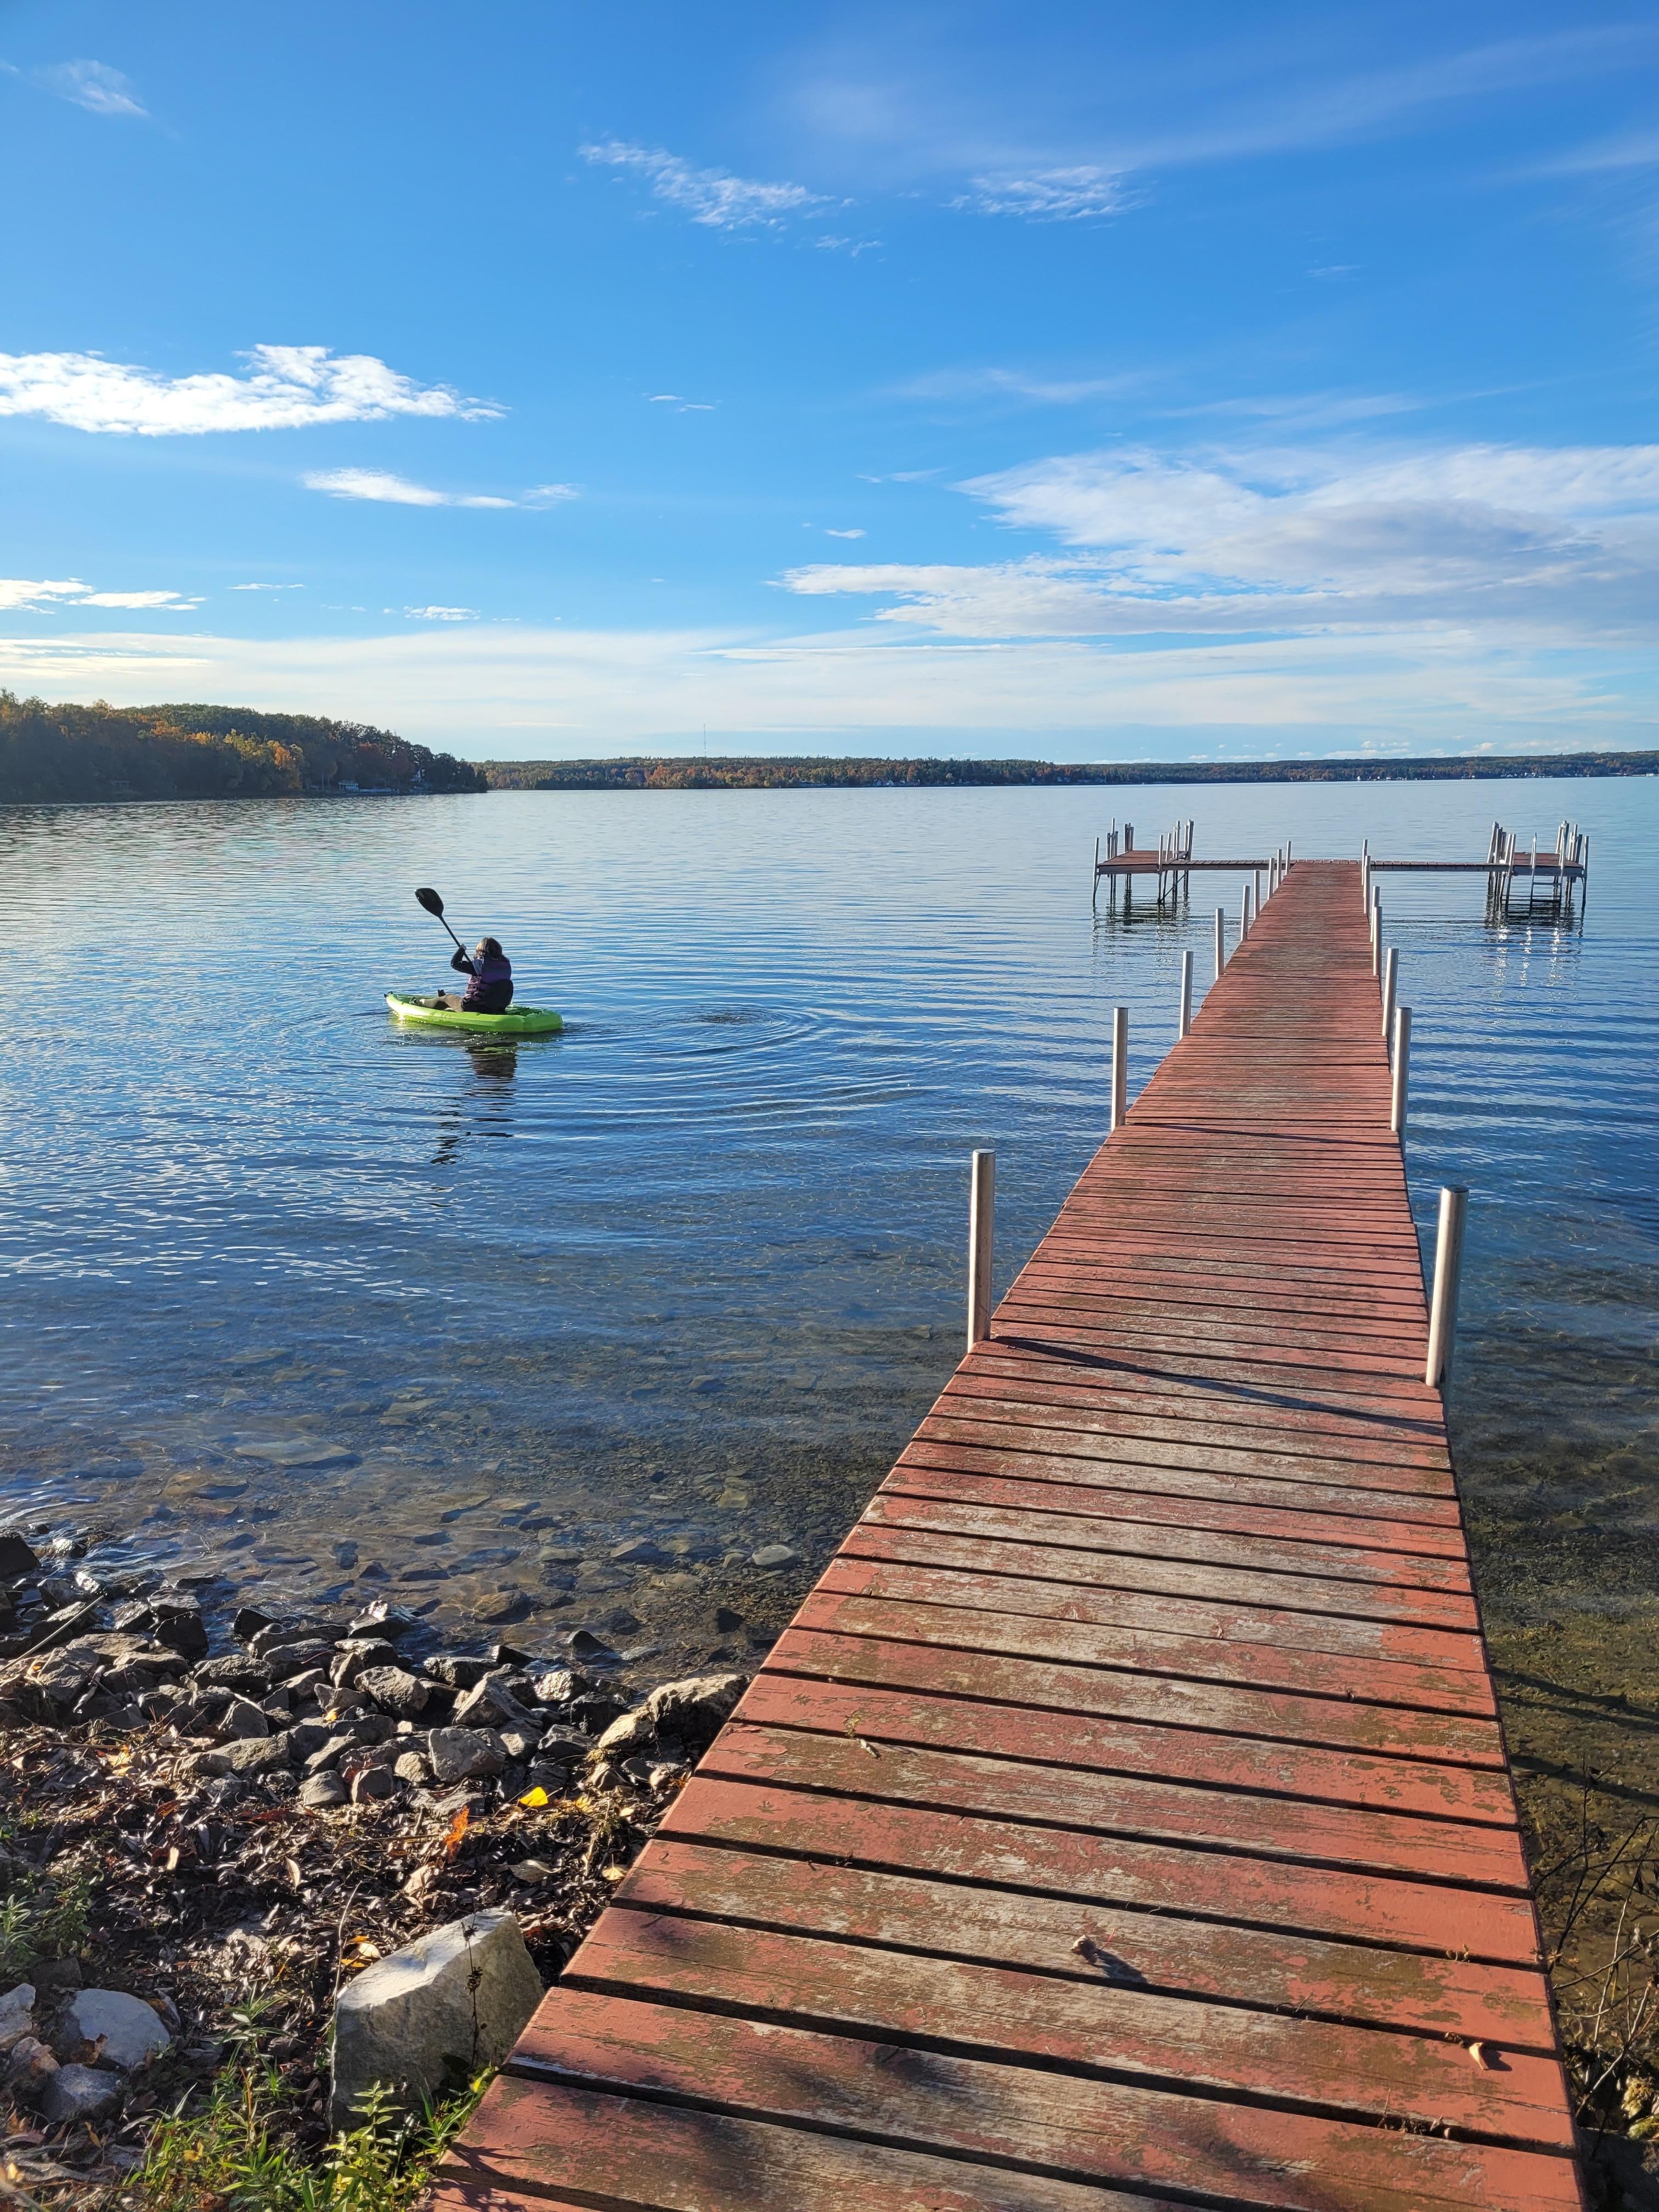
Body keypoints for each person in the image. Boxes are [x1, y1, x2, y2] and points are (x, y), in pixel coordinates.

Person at [448, 935, 514, 1013]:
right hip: (495, 1007)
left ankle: (433, 1005)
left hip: (473, 1006)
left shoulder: (479, 965)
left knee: (448, 998)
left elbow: (455, 963)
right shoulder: (506, 966)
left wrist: (462, 949)